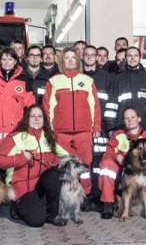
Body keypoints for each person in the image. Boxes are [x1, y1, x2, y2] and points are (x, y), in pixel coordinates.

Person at [0, 105, 69, 227]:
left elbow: (66, 155)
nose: (36, 119)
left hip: (37, 183)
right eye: (33, 116)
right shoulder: (15, 137)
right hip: (21, 185)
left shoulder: (49, 137)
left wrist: (75, 172)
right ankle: (16, 205)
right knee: (37, 221)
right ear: (27, 119)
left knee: (53, 175)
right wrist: (21, 158)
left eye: (40, 116)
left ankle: (52, 215)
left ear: (44, 120)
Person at [43, 47, 102, 199]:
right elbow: (47, 108)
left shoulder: (87, 81)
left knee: (85, 165)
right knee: (62, 165)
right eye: (67, 58)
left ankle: (85, 195)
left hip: (84, 132)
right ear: (62, 61)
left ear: (77, 60)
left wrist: (96, 126)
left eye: (73, 58)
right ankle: (64, 196)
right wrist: (48, 130)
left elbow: (94, 105)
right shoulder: (54, 81)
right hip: (61, 132)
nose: (70, 60)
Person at [98, 107, 146, 219]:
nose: (130, 120)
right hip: (123, 177)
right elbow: (107, 154)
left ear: (139, 119)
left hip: (144, 177)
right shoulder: (118, 135)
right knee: (106, 165)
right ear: (123, 121)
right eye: (126, 118)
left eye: (133, 117)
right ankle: (108, 204)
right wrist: (116, 156)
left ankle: (135, 205)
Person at [0, 47, 35, 148]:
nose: (7, 62)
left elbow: (30, 109)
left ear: (15, 61)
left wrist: (30, 131)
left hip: (18, 136)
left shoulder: (25, 81)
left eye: (10, 59)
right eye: (4, 59)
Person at [81, 45, 113, 210]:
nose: (89, 57)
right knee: (85, 164)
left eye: (92, 55)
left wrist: (108, 127)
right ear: (83, 56)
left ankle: (100, 195)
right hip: (82, 129)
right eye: (86, 54)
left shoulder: (106, 78)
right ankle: (86, 197)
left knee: (99, 162)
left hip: (101, 128)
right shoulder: (77, 77)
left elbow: (110, 104)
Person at [104, 47, 146, 135]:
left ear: (140, 58)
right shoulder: (117, 79)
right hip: (122, 128)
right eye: (129, 56)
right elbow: (111, 105)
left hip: (145, 128)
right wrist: (110, 127)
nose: (132, 58)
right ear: (125, 59)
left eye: (135, 55)